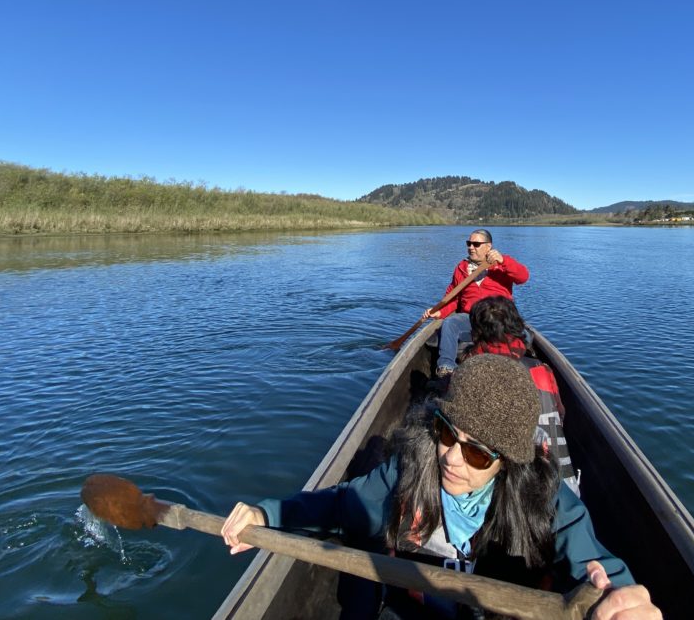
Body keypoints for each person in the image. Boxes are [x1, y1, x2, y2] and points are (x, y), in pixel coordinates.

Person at [221, 354, 660, 620]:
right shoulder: (407, 472)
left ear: (508, 463)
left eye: (476, 453)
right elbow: (339, 506)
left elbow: (597, 571)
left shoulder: (549, 503)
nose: (450, 457)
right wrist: (266, 515)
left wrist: (619, 601)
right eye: (446, 432)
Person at [463, 296, 579, 495]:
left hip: (509, 491)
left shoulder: (471, 372)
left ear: (476, 333)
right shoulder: (542, 370)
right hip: (562, 488)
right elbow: (560, 414)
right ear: (517, 328)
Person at [425, 230, 529, 377]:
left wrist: (504, 261)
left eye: (476, 244)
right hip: (471, 318)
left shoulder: (502, 265)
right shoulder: (461, 268)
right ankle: (446, 367)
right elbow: (453, 298)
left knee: (524, 334)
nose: (471, 247)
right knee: (449, 323)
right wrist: (439, 312)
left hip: (499, 318)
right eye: (469, 243)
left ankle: (513, 364)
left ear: (488, 246)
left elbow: (523, 277)